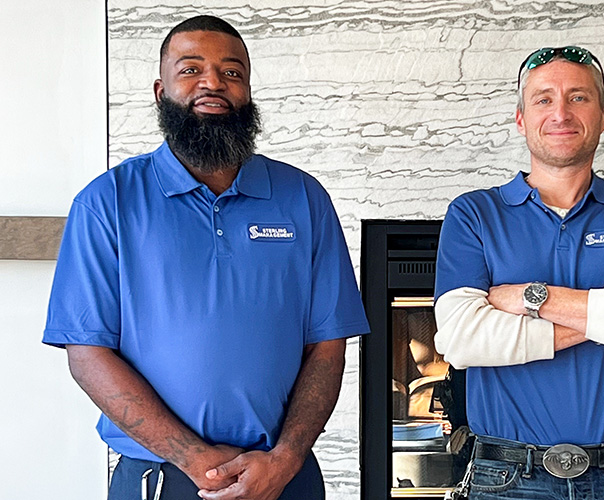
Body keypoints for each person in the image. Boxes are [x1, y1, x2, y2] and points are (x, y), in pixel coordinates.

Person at [43, 15, 369, 500]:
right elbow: (87, 353)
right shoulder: (107, 202)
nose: (213, 82)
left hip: (283, 478)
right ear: (160, 90)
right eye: (191, 69)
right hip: (160, 478)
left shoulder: (303, 198)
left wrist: (286, 458)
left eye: (231, 72)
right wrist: (193, 459)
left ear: (249, 91)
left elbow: (326, 346)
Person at [433, 46, 604, 500]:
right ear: (521, 119)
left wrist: (530, 297)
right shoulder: (474, 213)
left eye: (578, 97)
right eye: (543, 99)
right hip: (506, 478)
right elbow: (460, 339)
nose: (561, 112)